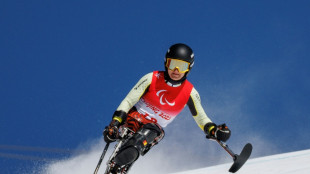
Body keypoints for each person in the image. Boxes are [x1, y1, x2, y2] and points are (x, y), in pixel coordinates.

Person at [103, 43, 231, 168]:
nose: (176, 70)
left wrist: (214, 130)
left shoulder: (190, 92)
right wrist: (115, 123)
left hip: (153, 129)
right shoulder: (151, 78)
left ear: (189, 68)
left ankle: (119, 165)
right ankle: (120, 161)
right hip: (133, 117)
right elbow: (128, 101)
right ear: (166, 63)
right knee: (138, 135)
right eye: (173, 64)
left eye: (182, 66)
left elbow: (201, 118)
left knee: (147, 135)